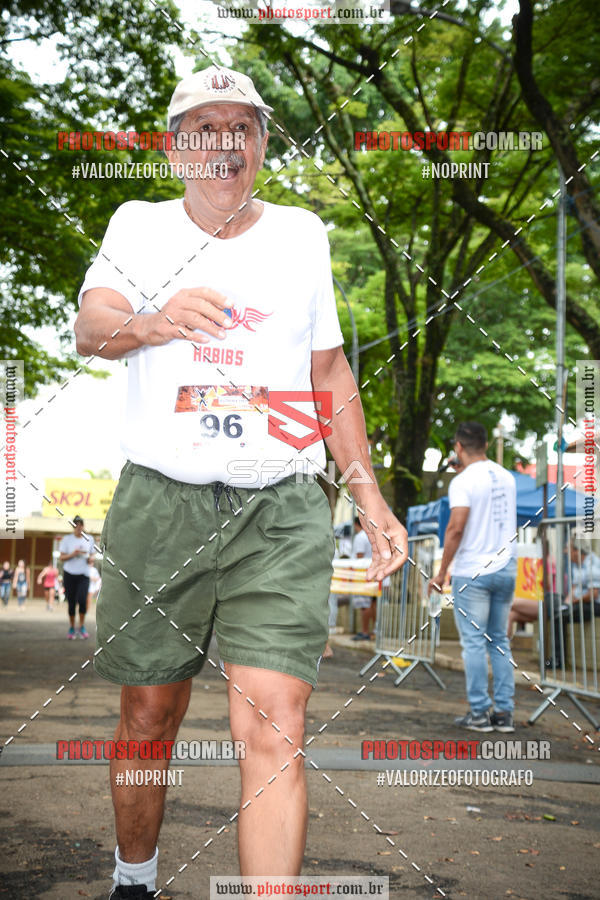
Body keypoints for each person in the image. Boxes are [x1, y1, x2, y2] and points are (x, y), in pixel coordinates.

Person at [74, 64, 408, 899]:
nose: (226, 144)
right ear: (174, 147)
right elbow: (90, 326)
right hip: (161, 500)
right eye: (204, 129)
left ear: (262, 144)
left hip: (281, 507)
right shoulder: (138, 223)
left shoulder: (301, 234)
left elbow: (329, 375)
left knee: (273, 721)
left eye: (244, 128)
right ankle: (135, 878)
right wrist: (152, 323)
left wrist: (366, 492)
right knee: (149, 716)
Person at [428, 422, 517, 733]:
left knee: (474, 643)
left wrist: (441, 572)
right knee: (499, 640)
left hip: (473, 571)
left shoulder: (463, 481)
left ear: (458, 447)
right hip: (506, 566)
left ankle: (479, 712)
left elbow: (456, 528)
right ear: (487, 446)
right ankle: (504, 713)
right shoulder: (507, 477)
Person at [546, 538, 600, 667]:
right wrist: (566, 604)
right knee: (557, 612)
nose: (565, 552)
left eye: (568, 549)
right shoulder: (577, 564)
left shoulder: (593, 564)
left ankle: (558, 660)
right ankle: (557, 659)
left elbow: (594, 594)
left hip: (594, 604)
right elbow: (574, 588)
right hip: (580, 602)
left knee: (560, 618)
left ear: (576, 551)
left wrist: (574, 602)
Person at [59, 516, 95, 639]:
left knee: (82, 600)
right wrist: (73, 554)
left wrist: (90, 559)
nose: (78, 527)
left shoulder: (89, 539)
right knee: (71, 602)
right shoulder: (67, 539)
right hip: (69, 574)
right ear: (73, 526)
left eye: (80, 525)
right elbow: (61, 558)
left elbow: (92, 557)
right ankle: (72, 628)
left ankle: (82, 626)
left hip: (84, 574)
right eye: (76, 525)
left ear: (83, 526)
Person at [350, 518, 377, 641]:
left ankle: (365, 631)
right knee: (372, 603)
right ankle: (374, 631)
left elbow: (359, 557)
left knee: (364, 604)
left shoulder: (360, 537)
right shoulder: (372, 536)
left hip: (363, 574)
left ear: (356, 524)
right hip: (373, 574)